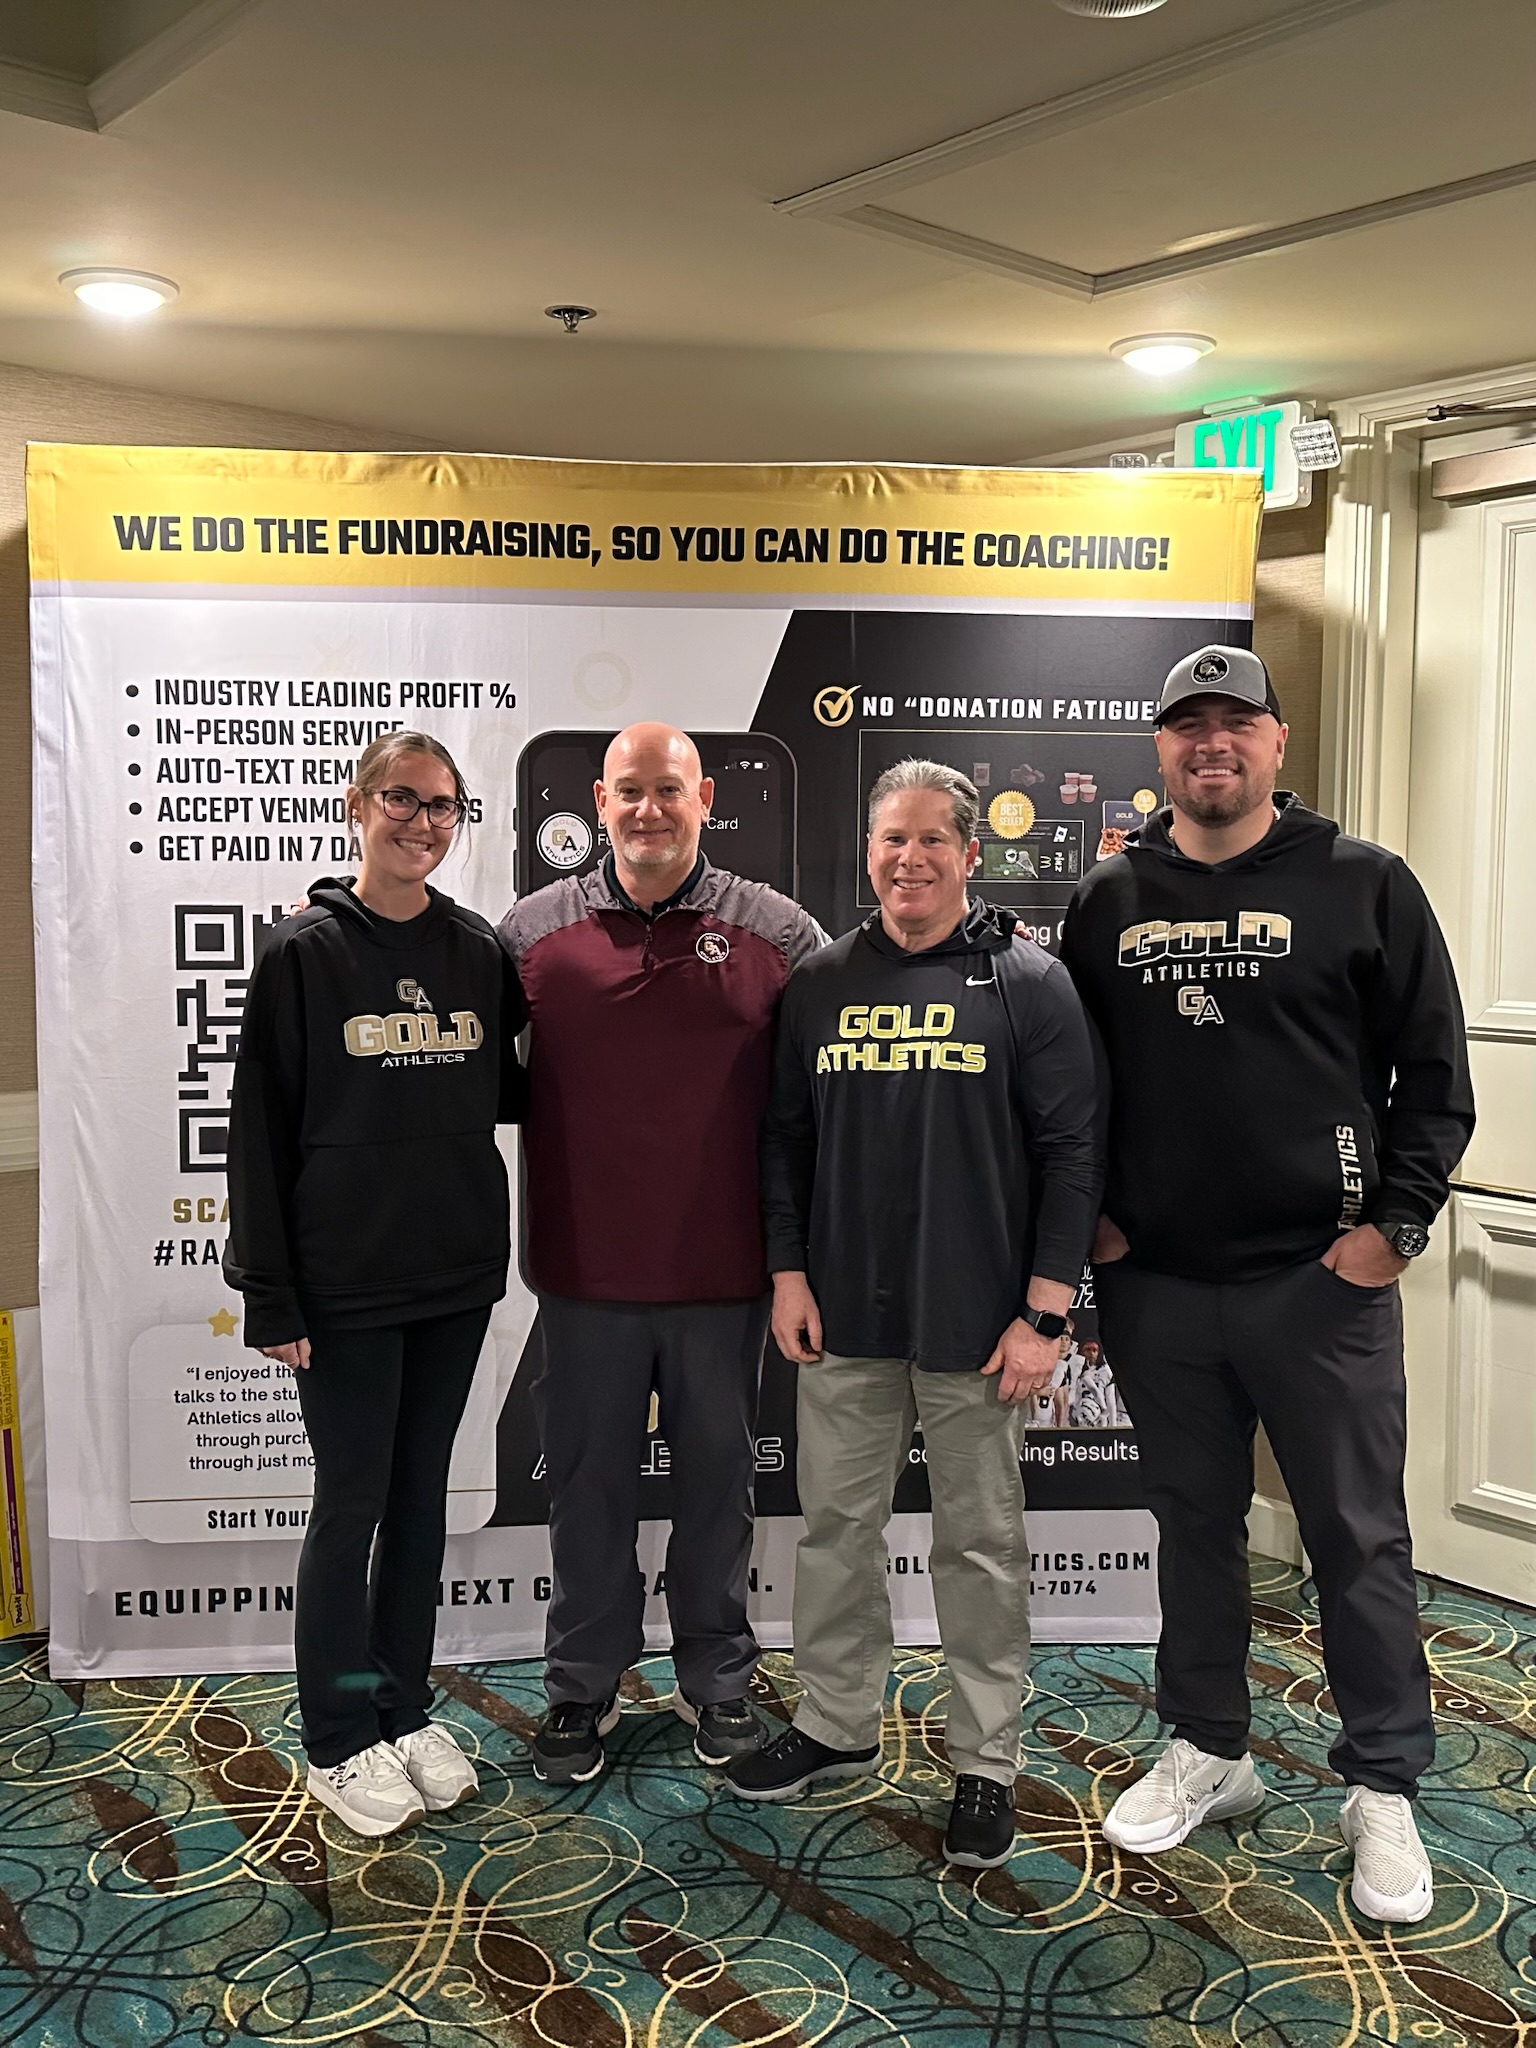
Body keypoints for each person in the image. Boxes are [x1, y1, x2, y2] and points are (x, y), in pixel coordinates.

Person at [1060, 644, 1475, 1925]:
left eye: (1235, 722)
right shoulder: (1110, 895)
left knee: (1359, 1536)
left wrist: (1391, 1230)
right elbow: (1069, 1087)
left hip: (1320, 1283)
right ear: (1162, 750)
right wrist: (1099, 1229)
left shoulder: (1366, 883)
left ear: (1277, 743)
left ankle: (1384, 1785)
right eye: (1187, 726)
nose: (1211, 744)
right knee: (1194, 1523)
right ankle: (1211, 1747)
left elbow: (1434, 1076)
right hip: (1162, 1289)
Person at [728, 758, 1100, 1871]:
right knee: (835, 1533)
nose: (910, 857)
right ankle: (837, 1721)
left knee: (979, 1547)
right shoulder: (822, 981)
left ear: (969, 854)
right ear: (871, 849)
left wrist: (1047, 1309)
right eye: (893, 837)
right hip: (842, 1314)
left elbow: (1075, 1151)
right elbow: (782, 1141)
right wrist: (786, 1271)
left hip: (981, 1320)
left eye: (933, 838)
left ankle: (986, 1760)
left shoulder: (1030, 982)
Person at [499, 722, 826, 1784]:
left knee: (717, 1492)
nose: (648, 809)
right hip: (584, 1278)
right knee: (586, 1490)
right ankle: (580, 1686)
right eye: (629, 790)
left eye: (668, 790)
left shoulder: (778, 931)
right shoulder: (529, 935)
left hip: (724, 1279)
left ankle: (719, 1681)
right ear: (600, 799)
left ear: (705, 796)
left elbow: (837, 1080)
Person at [224, 731, 527, 1838]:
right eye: (404, 799)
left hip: (451, 1276)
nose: (426, 822)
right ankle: (339, 1733)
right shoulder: (304, 952)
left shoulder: (477, 949)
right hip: (344, 1285)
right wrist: (270, 1291)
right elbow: (255, 1130)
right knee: (349, 1506)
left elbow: (519, 1095)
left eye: (447, 806)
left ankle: (402, 1705)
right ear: (359, 805)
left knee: (417, 1508)